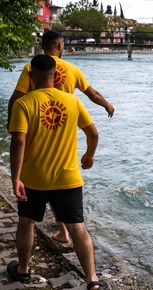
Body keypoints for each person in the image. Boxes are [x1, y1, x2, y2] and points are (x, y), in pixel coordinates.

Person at [8, 54, 108, 290]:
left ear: (31, 76)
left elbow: (18, 141)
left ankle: (22, 270)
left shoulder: (24, 104)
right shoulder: (72, 101)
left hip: (34, 178)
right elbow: (93, 133)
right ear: (56, 75)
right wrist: (89, 155)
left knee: (27, 222)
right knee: (78, 228)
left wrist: (15, 177)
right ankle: (93, 281)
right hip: (68, 178)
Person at [7, 30, 115, 244]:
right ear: (60, 45)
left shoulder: (31, 67)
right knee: (60, 180)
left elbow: (17, 97)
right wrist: (107, 105)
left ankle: (56, 234)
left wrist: (13, 123)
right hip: (64, 126)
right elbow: (92, 94)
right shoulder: (72, 69)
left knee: (38, 184)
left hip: (36, 127)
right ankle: (66, 231)